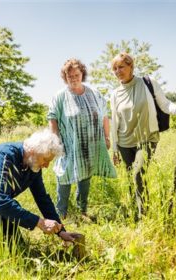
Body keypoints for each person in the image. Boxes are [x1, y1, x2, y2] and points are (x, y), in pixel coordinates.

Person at [0, 129, 78, 246]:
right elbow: (1, 201)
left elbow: (42, 199)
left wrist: (61, 231)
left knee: (7, 210)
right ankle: (18, 251)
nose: (46, 165)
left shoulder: (33, 165)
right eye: (45, 159)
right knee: (3, 210)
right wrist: (39, 222)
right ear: (33, 150)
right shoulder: (3, 156)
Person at [110, 52, 176, 220]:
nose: (118, 71)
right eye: (114, 68)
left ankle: (144, 217)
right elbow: (114, 122)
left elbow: (165, 104)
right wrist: (114, 149)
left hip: (147, 138)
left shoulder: (148, 83)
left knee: (138, 174)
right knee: (129, 180)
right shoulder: (114, 94)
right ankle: (134, 214)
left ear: (131, 67)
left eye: (121, 66)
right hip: (124, 142)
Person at [48, 58, 117, 220]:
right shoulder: (60, 96)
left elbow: (104, 117)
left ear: (82, 74)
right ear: (65, 77)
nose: (73, 78)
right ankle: (61, 213)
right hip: (69, 145)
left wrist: (106, 137)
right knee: (63, 176)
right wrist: (55, 141)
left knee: (85, 176)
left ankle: (82, 210)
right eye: (69, 75)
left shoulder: (94, 93)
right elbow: (52, 118)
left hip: (91, 144)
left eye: (76, 74)